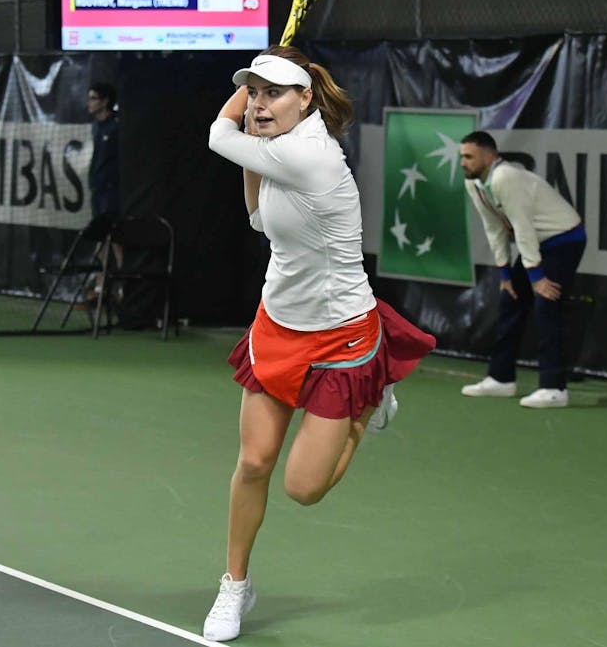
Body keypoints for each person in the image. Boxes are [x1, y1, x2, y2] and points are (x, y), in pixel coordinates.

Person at [203, 46, 436, 642]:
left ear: (306, 99)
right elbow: (259, 220)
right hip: (278, 326)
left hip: (341, 335)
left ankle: (369, 402)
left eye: (273, 92)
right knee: (254, 462)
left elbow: (218, 134)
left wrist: (241, 112)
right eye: (254, 91)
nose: (260, 103)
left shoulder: (310, 156)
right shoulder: (273, 150)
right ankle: (234, 585)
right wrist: (255, 118)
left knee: (304, 489)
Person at [458, 131, 586, 408]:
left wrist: (537, 278)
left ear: (489, 157)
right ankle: (501, 379)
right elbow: (493, 228)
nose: (463, 162)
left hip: (564, 238)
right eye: (462, 157)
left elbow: (522, 228)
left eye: (469, 157)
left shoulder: (505, 177)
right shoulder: (473, 183)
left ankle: (554, 388)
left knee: (547, 304)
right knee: (511, 300)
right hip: (538, 243)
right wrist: (505, 275)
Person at [84, 82, 122, 301]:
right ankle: (100, 289)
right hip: (98, 192)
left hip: (112, 194)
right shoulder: (96, 127)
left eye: (93, 98)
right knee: (101, 243)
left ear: (105, 101)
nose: (89, 103)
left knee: (117, 242)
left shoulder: (116, 127)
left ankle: (124, 289)